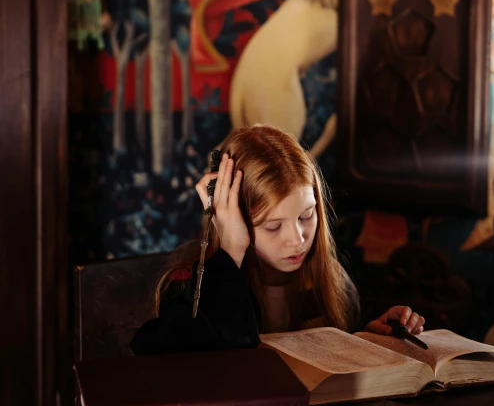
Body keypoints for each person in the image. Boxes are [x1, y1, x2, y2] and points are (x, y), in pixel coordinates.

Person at [131, 124, 424, 355]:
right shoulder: (189, 284)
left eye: (307, 216)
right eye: (273, 227)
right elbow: (183, 359)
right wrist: (232, 249)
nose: (297, 240)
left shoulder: (329, 276)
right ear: (233, 218)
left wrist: (366, 338)